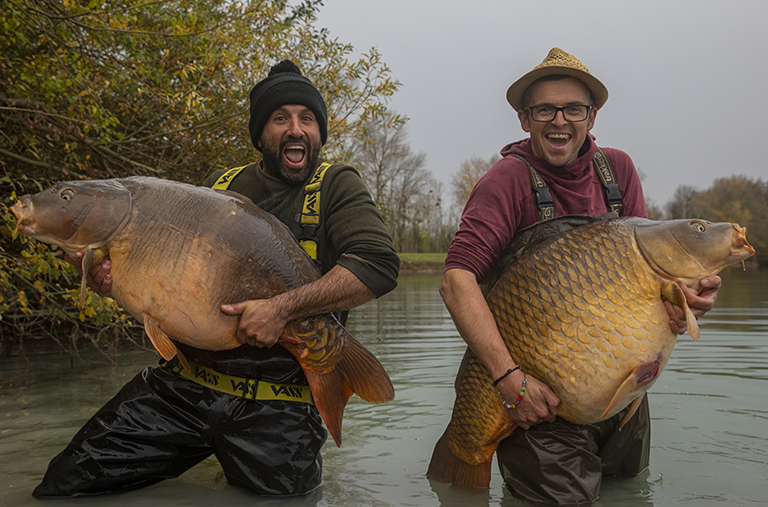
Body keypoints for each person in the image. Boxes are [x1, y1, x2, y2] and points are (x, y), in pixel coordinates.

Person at [33, 60, 400, 498]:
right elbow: (165, 289)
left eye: (307, 119)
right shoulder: (217, 186)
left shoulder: (336, 185)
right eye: (280, 118)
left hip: (276, 404)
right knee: (62, 487)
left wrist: (280, 310)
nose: (296, 129)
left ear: (319, 131)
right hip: (185, 387)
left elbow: (378, 265)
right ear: (260, 133)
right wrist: (110, 280)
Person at [439, 48, 720, 505]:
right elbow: (456, 281)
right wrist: (510, 380)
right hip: (535, 400)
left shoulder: (619, 171)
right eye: (545, 109)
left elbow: (651, 284)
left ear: (592, 117)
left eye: (573, 108)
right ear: (523, 118)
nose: (559, 121)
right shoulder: (506, 181)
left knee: (631, 495)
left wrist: (687, 298)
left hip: (625, 398)